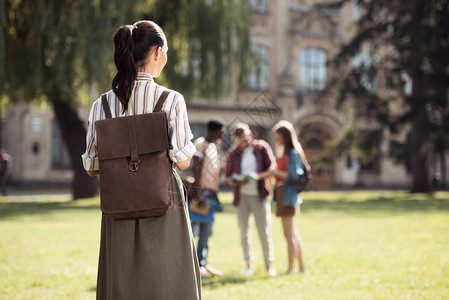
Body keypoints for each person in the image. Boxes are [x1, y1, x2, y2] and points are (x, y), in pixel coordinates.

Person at [81, 20, 201, 299]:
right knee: (167, 278)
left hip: (118, 203)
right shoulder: (170, 99)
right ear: (157, 52)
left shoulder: (102, 104)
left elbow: (91, 166)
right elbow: (183, 161)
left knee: (121, 281)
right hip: (163, 200)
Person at [225, 123, 277, 277]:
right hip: (241, 196)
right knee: (244, 232)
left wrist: (257, 176)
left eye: (246, 140)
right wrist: (237, 181)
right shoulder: (233, 153)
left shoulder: (261, 148)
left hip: (259, 195)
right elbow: (228, 178)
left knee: (264, 231)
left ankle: (269, 265)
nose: (244, 144)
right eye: (240, 142)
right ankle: (249, 265)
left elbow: (272, 169)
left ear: (250, 136)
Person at [260, 120, 307, 274]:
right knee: (292, 233)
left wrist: (275, 172)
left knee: (289, 234)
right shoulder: (285, 153)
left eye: (278, 137)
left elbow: (294, 175)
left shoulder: (293, 153)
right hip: (282, 196)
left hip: (288, 196)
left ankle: (291, 268)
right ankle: (301, 267)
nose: (277, 140)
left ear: (285, 137)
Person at [189, 120, 225, 277]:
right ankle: (192, 265)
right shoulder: (200, 144)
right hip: (201, 193)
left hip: (211, 193)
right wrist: (198, 193)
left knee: (207, 230)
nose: (221, 137)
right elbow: (195, 169)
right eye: (220, 133)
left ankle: (202, 263)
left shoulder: (212, 147)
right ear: (213, 131)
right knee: (195, 230)